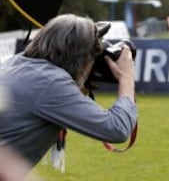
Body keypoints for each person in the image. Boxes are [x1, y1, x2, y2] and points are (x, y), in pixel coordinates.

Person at [0, 14, 137, 175]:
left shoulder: (16, 63)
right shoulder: (50, 83)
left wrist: (82, 82)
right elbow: (117, 129)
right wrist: (126, 77)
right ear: (81, 57)